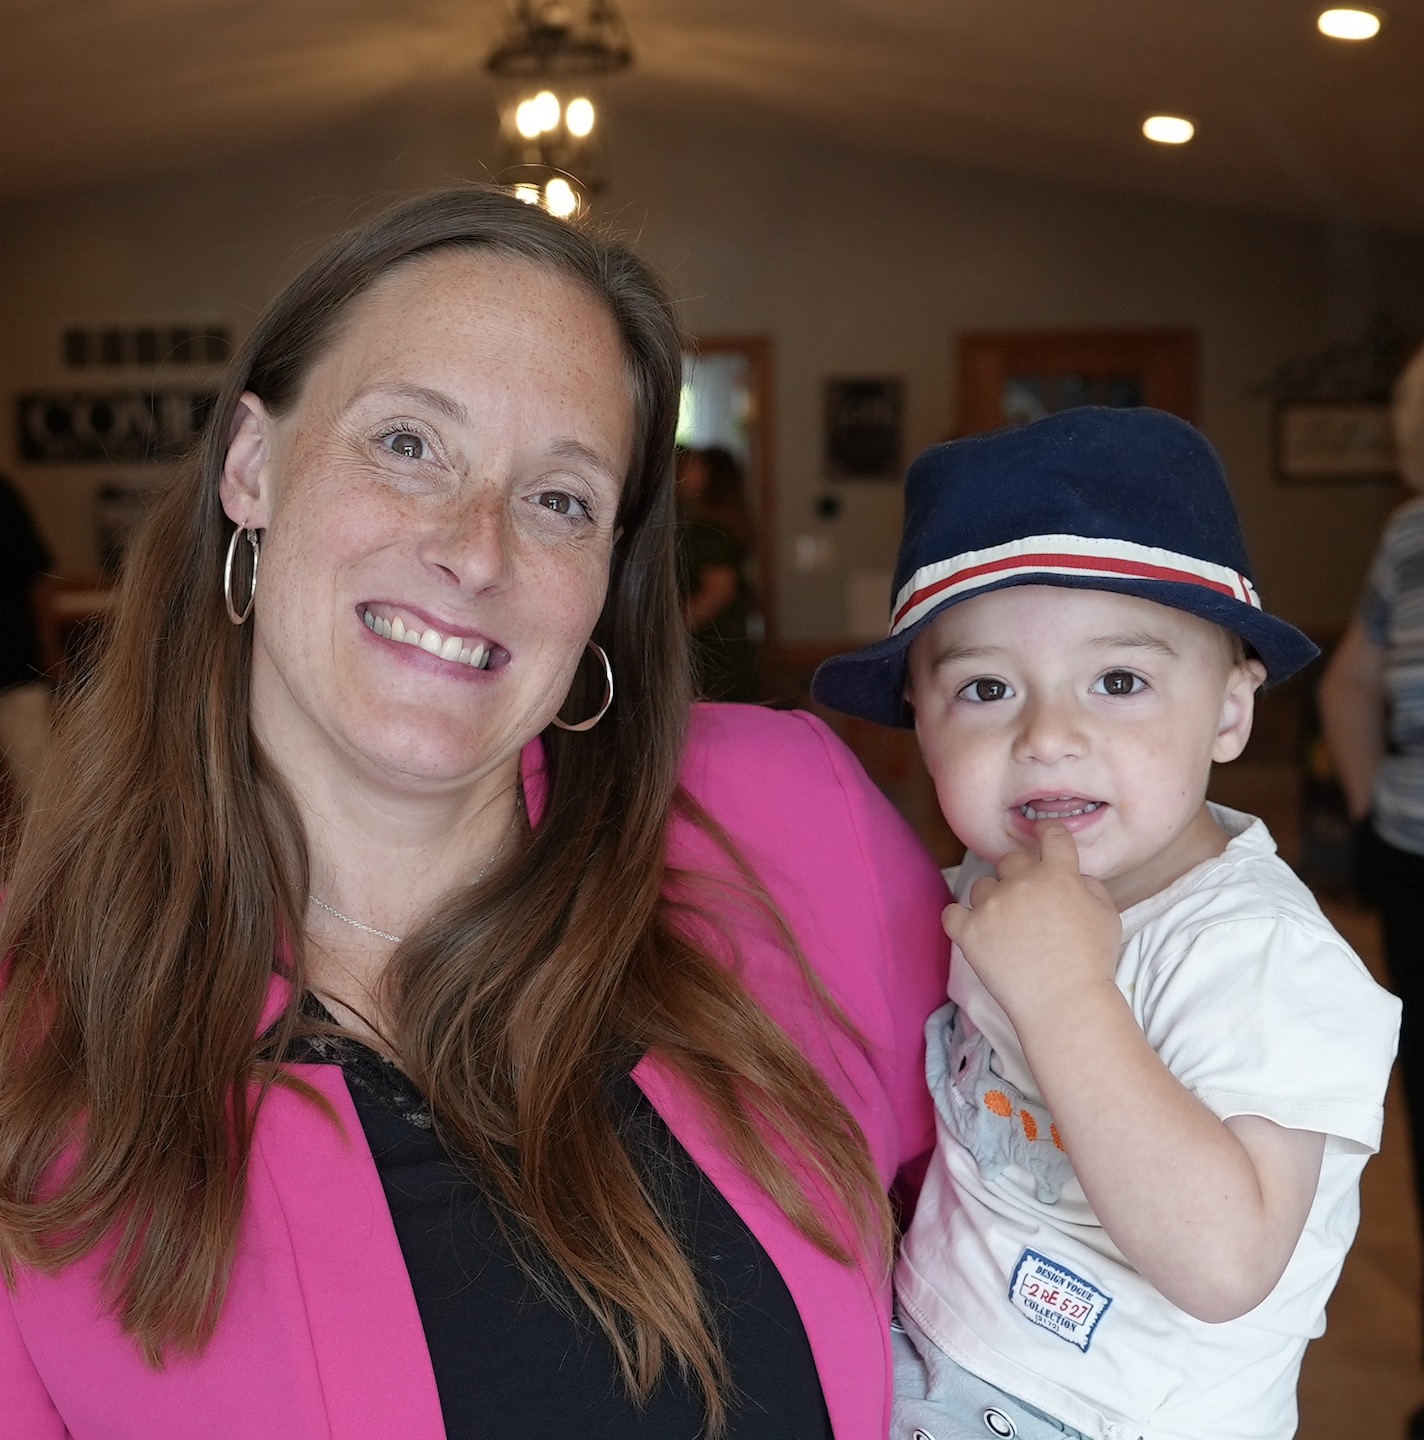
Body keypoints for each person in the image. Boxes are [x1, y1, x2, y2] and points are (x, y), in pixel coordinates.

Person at [0, 186, 951, 1440]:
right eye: (407, 443)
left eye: (559, 498)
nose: (476, 549)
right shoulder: (38, 1053)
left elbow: (1063, 1221)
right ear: (251, 467)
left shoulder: (791, 823)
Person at [813, 407, 1400, 1440]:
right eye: (985, 688)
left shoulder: (1259, 954)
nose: (1046, 736)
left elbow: (1224, 1262)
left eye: (1117, 681)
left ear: (1227, 711)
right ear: (918, 715)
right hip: (928, 1354)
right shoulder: (980, 891)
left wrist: (1067, 996)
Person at [1319, 341, 1424, 1439]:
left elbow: (1351, 688)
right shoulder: (1403, 536)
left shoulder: (1407, 537)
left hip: (1410, 853)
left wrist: (1366, 821)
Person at [676, 445, 759, 701]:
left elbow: (719, 590)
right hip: (728, 645)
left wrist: (673, 629)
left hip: (712, 651)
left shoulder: (708, 532)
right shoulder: (724, 524)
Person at [0, 473, 60, 806]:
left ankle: (60, 859)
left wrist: (49, 653)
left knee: (41, 790)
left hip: (14, 666)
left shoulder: (4, 495)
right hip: (18, 664)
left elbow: (38, 581)